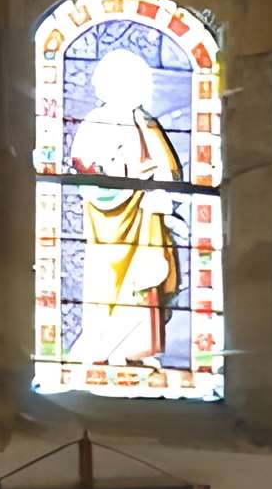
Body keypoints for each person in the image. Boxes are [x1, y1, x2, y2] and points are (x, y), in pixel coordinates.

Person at [63, 46, 184, 367]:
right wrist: (126, 180)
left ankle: (133, 352)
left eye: (142, 83)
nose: (140, 90)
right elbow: (87, 172)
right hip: (112, 225)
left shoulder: (146, 124)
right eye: (132, 82)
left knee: (148, 279)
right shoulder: (96, 122)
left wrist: (157, 189)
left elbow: (168, 170)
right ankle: (104, 349)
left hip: (147, 219)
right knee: (113, 288)